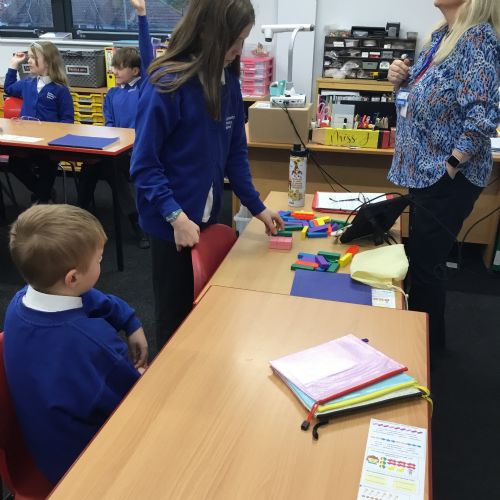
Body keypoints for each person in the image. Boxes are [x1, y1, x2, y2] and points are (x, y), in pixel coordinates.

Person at [130, 0, 284, 351]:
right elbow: (144, 165)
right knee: (174, 320)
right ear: (206, 32)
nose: (239, 49)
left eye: (243, 39)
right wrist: (175, 216)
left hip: (205, 216)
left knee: (204, 313)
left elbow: (234, 154)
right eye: (234, 40)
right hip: (171, 224)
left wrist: (257, 206)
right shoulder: (166, 84)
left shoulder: (228, 82)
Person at [3, 204, 148, 485]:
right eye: (99, 259)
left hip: (43, 448)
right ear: (72, 278)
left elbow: (88, 297)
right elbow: (135, 406)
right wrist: (141, 376)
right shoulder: (93, 344)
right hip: (83, 468)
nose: (101, 263)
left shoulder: (21, 301)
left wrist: (128, 320)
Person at [387, 0, 499, 353]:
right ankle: (418, 344)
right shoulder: (440, 37)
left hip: (446, 175)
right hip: (424, 170)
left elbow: (483, 114)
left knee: (425, 266)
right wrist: (399, 83)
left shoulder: (477, 38)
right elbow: (420, 100)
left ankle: (425, 354)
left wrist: (451, 164)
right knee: (421, 262)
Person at [77, 0, 152, 249]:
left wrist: (141, 14)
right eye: (114, 68)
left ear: (136, 71)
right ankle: (79, 216)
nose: (115, 72)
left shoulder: (145, 88)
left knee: (114, 170)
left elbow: (147, 55)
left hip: (138, 151)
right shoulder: (112, 94)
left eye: (120, 68)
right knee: (91, 167)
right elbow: (109, 123)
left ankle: (136, 223)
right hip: (117, 149)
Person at [4, 41, 74, 203]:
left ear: (48, 62)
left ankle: (42, 200)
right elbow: (9, 88)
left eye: (33, 57)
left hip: (48, 146)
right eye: (28, 57)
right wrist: (13, 65)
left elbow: (67, 120)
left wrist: (56, 135)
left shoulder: (60, 90)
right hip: (27, 142)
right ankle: (43, 195)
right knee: (15, 163)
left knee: (47, 165)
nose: (28, 61)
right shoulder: (27, 83)